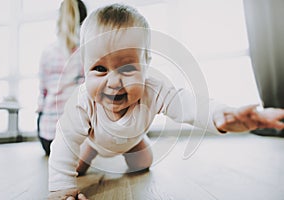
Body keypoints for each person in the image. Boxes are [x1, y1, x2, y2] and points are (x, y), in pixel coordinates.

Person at [48, 3, 284, 199]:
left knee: (143, 162)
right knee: (74, 165)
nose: (113, 82)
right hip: (94, 140)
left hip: (133, 139)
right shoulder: (81, 102)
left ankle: (136, 142)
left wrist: (221, 115)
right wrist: (62, 188)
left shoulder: (154, 89)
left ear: (146, 64)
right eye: (99, 69)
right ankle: (89, 153)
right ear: (84, 68)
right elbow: (64, 142)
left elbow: (188, 105)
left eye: (128, 68)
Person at [37, 0, 87, 156]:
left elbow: (42, 94)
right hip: (80, 139)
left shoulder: (47, 52)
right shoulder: (88, 51)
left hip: (47, 137)